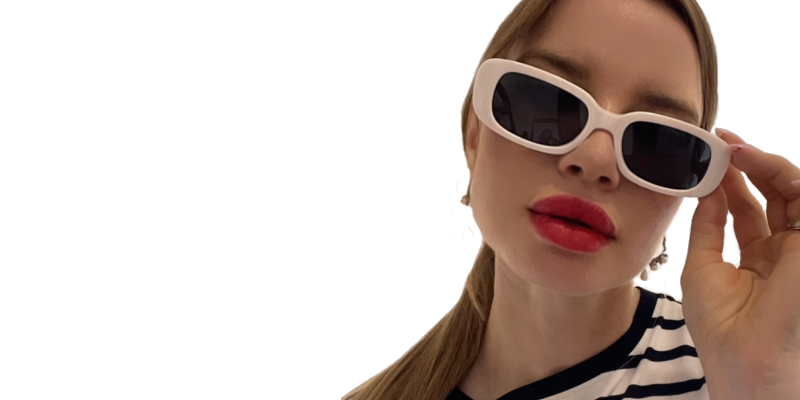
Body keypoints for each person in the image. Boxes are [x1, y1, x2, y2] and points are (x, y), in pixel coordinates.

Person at [343, 0, 800, 399]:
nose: (595, 159)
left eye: (657, 141)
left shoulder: (735, 374)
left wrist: (763, 386)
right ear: (474, 134)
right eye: (548, 102)